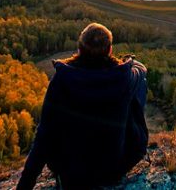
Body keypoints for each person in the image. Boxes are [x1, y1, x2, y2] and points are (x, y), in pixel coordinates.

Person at [17, 23, 148, 190]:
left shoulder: (62, 80)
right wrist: (128, 61)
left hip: (70, 172)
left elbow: (44, 135)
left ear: (79, 49)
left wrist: (25, 185)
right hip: (113, 169)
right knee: (140, 85)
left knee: (52, 124)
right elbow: (141, 70)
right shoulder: (124, 77)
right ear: (109, 50)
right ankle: (134, 142)